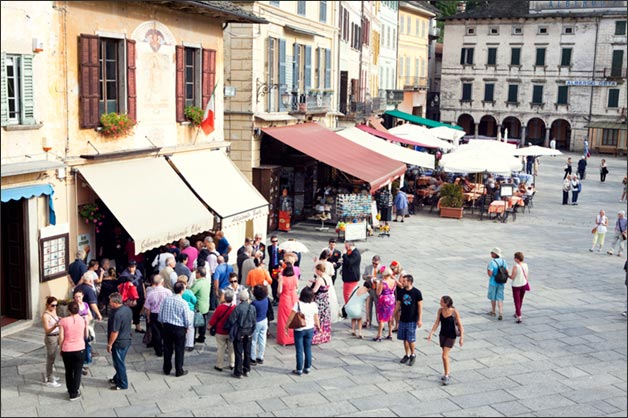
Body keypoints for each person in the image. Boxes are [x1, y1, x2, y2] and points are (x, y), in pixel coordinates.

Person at [426, 296, 464, 386]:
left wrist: (462, 337)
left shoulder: (454, 312)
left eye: (442, 301)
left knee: (444, 355)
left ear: (446, 303)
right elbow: (437, 322)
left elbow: (460, 325)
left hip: (451, 335)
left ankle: (447, 375)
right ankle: (446, 372)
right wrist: (431, 333)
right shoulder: (440, 310)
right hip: (443, 334)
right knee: (444, 355)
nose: (440, 303)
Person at [284, 287, 320, 376]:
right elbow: (316, 318)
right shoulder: (314, 305)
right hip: (310, 329)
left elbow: (291, 317)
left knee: (299, 350)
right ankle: (307, 367)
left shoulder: (298, 304)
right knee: (308, 348)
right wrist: (319, 327)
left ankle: (299, 369)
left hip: (299, 330)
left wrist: (286, 327)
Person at [158, 281, 191, 377]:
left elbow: (160, 313)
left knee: (167, 348)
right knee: (179, 350)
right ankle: (179, 370)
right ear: (182, 290)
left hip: (167, 326)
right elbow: (187, 319)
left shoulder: (166, 299)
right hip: (179, 328)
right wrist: (187, 327)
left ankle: (167, 368)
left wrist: (162, 323)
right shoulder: (183, 303)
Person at [58, 301, 87, 401]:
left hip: (67, 348)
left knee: (69, 371)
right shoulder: (83, 320)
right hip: (79, 348)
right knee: (78, 371)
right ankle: (75, 392)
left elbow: (61, 337)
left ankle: (70, 390)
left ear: (68, 310)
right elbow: (85, 335)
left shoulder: (63, 321)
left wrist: (61, 348)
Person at [226, 290, 256, 379]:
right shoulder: (252, 308)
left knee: (238, 352)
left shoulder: (238, 308)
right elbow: (254, 321)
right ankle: (246, 369)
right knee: (247, 352)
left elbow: (231, 320)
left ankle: (238, 372)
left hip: (240, 332)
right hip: (249, 332)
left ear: (240, 298)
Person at [394, 274, 423, 366]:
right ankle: (406, 354)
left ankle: (413, 354)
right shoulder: (401, 292)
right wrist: (393, 316)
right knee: (404, 338)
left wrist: (419, 319)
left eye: (404, 281)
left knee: (411, 339)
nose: (402, 282)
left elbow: (420, 307)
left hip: (412, 319)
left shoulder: (417, 292)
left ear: (409, 282)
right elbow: (398, 305)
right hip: (403, 318)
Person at [106, 292, 133, 390]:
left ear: (115, 303)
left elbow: (115, 331)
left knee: (118, 363)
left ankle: (122, 383)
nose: (109, 304)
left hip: (119, 342)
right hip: (127, 339)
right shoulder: (127, 309)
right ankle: (117, 378)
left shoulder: (117, 314)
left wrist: (109, 344)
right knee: (120, 360)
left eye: (110, 302)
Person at [143, 275, 172, 357]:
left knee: (156, 333)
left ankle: (158, 351)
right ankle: (166, 349)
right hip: (165, 314)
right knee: (166, 333)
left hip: (154, 314)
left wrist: (148, 317)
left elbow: (147, 308)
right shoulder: (168, 292)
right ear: (162, 282)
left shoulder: (151, 293)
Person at [209, 289, 236, 372]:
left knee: (221, 348)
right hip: (230, 331)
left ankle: (219, 365)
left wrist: (209, 326)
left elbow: (214, 319)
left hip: (220, 331)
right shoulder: (234, 307)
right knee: (231, 348)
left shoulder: (220, 307)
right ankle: (232, 363)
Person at [118, 260, 145, 333]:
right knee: (129, 312)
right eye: (130, 267)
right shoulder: (124, 276)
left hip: (139, 295)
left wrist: (144, 294)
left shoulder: (139, 273)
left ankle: (138, 327)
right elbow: (120, 287)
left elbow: (142, 284)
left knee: (138, 311)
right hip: (129, 297)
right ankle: (127, 329)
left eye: (133, 267)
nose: (131, 269)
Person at [276, 262, 299, 346]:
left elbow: (279, 291)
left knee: (284, 319)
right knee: (294, 317)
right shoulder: (295, 277)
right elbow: (297, 287)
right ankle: (294, 338)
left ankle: (285, 339)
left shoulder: (282, 278)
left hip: (285, 298)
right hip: (294, 297)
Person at [41, 296, 61, 387]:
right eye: (53, 305)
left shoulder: (54, 311)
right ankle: (49, 378)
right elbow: (47, 330)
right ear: (47, 305)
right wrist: (55, 326)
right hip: (51, 338)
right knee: (51, 358)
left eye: (56, 305)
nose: (55, 307)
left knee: (54, 357)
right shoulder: (45, 316)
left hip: (57, 335)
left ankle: (51, 375)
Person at [73, 289, 93, 376]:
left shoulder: (85, 304)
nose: (78, 298)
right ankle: (79, 366)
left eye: (79, 297)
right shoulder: (73, 306)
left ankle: (84, 362)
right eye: (76, 297)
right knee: (79, 348)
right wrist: (83, 318)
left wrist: (86, 318)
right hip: (78, 330)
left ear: (82, 296)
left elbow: (90, 316)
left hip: (86, 329)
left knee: (87, 345)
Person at [310, 263, 332, 345]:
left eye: (316, 270)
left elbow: (315, 290)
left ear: (319, 270)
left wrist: (309, 290)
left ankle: (317, 336)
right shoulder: (327, 277)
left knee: (318, 317)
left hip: (319, 300)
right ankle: (325, 335)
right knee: (325, 317)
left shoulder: (319, 279)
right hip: (325, 299)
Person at [374, 267, 397, 342]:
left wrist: (377, 285)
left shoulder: (383, 282)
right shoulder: (394, 281)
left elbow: (378, 293)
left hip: (384, 300)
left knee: (382, 318)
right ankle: (390, 334)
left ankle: (379, 335)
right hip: (391, 299)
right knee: (390, 317)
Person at [190, 266, 210, 344]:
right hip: (205, 305)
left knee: (195, 323)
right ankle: (202, 336)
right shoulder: (207, 281)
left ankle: (193, 339)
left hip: (198, 306)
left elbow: (191, 292)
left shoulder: (198, 283)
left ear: (199, 274)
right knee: (203, 322)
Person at [250, 285, 270, 365]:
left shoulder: (254, 303)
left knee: (254, 340)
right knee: (262, 339)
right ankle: (260, 356)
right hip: (264, 320)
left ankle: (253, 357)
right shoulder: (266, 300)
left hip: (256, 322)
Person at [487, 247, 507, 320]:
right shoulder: (503, 261)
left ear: (495, 254)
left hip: (493, 282)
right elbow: (506, 271)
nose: (491, 254)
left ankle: (493, 311)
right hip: (501, 282)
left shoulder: (492, 262)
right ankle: (501, 312)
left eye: (492, 253)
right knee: (500, 297)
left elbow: (490, 273)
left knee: (493, 297)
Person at [177, 275, 197, 352]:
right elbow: (194, 300)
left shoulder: (177, 291)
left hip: (180, 310)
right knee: (190, 328)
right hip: (190, 310)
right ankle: (189, 344)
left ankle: (180, 342)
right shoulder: (189, 292)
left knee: (181, 326)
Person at [267, 235, 284, 303]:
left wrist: (281, 259)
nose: (275, 243)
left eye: (276, 241)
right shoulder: (269, 248)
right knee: (272, 283)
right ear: (271, 241)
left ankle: (277, 297)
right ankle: (274, 297)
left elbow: (281, 256)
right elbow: (271, 256)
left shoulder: (280, 248)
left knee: (277, 283)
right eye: (273, 241)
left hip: (277, 267)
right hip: (272, 267)